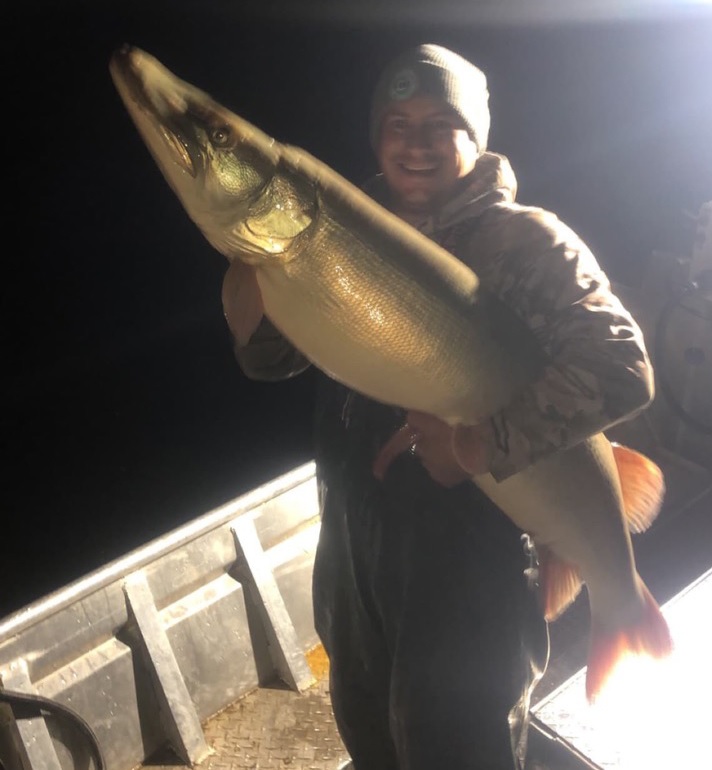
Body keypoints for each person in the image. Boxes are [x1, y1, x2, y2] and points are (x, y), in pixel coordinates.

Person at [222, 44, 654, 770]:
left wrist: (477, 446)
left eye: (440, 123)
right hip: (355, 545)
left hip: (474, 559)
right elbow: (270, 359)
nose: (414, 142)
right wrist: (245, 262)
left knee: (460, 747)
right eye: (397, 122)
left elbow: (623, 368)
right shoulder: (343, 230)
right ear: (375, 134)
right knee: (370, 732)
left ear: (475, 136)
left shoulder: (526, 242)